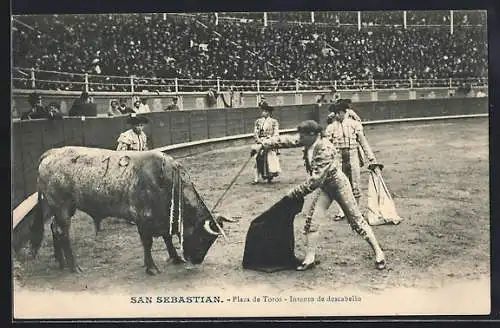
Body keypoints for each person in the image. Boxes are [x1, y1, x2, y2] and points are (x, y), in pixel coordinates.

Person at [255, 120, 386, 271]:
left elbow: (315, 181)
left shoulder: (326, 149)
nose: (300, 139)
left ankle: (379, 252)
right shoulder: (309, 140)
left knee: (356, 220)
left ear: (313, 134)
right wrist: (262, 145)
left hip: (338, 186)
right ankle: (310, 258)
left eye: (303, 136)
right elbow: (287, 140)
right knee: (312, 221)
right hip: (326, 187)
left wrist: (293, 193)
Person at [324, 102, 377, 221]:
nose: (338, 115)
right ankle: (341, 211)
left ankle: (356, 211)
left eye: (340, 112)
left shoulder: (355, 125)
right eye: (336, 113)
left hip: (353, 155)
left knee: (355, 184)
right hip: (338, 157)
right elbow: (327, 146)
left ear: (345, 112)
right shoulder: (331, 128)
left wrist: (371, 158)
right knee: (340, 185)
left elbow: (363, 142)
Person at [252, 102, 281, 184]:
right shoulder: (258, 121)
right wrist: (259, 141)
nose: (262, 112)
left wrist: (270, 140)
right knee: (257, 159)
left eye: (264, 111)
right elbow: (255, 133)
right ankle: (256, 179)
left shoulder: (274, 122)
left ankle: (269, 177)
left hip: (269, 142)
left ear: (268, 112)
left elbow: (276, 133)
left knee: (269, 160)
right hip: (260, 142)